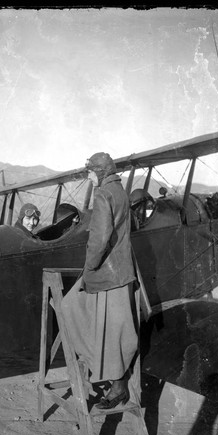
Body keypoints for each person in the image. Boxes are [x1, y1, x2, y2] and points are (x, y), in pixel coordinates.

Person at [61, 152, 139, 409]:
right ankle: (112, 376)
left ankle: (106, 375)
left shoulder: (103, 194)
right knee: (115, 329)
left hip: (106, 274)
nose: (89, 176)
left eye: (91, 172)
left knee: (69, 306)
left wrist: (89, 267)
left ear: (101, 172)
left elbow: (99, 239)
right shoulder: (120, 191)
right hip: (123, 272)